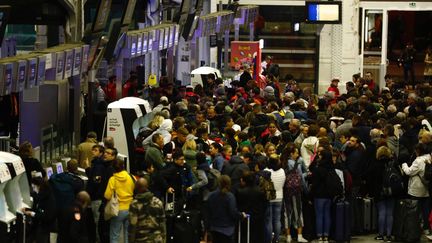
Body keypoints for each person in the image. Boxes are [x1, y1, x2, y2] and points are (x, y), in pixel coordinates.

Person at [207, 175, 247, 243]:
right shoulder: (230, 197)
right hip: (227, 229)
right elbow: (233, 212)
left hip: (214, 228)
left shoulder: (211, 195)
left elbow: (208, 211)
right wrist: (241, 215)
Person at [401, 143, 431, 233]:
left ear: (418, 151)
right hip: (426, 188)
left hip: (416, 189)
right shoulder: (429, 157)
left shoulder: (418, 161)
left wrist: (404, 164)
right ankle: (426, 228)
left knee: (415, 211)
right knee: (426, 210)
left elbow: (409, 172)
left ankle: (415, 228)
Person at [104, 159, 135, 243]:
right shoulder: (130, 177)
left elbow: (107, 195)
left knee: (115, 234)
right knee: (127, 233)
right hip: (130, 207)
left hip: (118, 209)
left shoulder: (113, 179)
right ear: (123, 166)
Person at [128, 178, 166, 243]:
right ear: (147, 187)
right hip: (157, 239)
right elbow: (162, 223)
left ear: (136, 189)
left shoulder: (134, 204)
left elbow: (132, 226)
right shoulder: (158, 202)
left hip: (141, 239)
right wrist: (164, 239)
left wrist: (131, 240)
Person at [21, 174, 56, 243]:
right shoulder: (40, 195)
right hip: (39, 225)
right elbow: (37, 209)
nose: (33, 190)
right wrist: (28, 210)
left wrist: (32, 213)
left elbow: (47, 216)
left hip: (45, 227)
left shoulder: (48, 198)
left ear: (39, 186)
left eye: (34, 187)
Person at [236, 171, 267, 243]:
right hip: (258, 218)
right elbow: (264, 205)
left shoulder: (240, 192)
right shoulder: (261, 191)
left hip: (244, 219)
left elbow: (238, 206)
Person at [264, 154, 286, 243]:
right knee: (277, 220)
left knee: (268, 220)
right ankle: (276, 239)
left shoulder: (266, 171)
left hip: (269, 197)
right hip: (279, 197)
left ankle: (269, 239)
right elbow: (283, 184)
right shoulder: (282, 171)